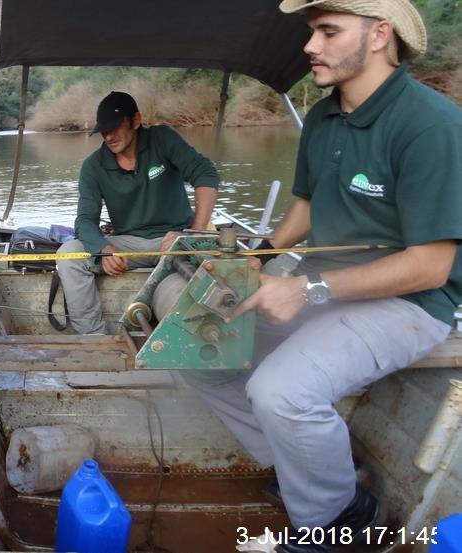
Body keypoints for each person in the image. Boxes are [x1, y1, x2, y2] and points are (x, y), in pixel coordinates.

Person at [186, 1, 462, 551]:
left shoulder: (432, 125)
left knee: (281, 391)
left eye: (327, 31)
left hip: (409, 304)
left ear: (380, 35)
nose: (310, 46)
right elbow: (308, 206)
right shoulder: (322, 115)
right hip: (324, 287)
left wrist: (308, 288)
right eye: (312, 32)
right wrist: (257, 259)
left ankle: (338, 520)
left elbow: (432, 265)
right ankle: (305, 467)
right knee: (194, 350)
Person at [56, 91, 220, 334]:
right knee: (68, 254)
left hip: (175, 241)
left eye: (115, 127)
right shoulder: (94, 165)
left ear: (135, 120)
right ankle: (94, 338)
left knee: (219, 265)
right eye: (104, 131)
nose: (109, 136)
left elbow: (205, 174)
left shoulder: (162, 139)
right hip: (128, 246)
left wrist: (191, 233)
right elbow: (85, 220)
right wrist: (103, 249)